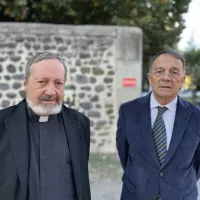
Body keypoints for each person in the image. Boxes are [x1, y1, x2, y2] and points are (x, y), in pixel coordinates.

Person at [0, 52, 91, 200]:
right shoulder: (2, 122)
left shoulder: (79, 124)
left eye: (58, 83)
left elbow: (81, 182)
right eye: (42, 81)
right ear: (25, 84)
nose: (50, 91)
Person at [116, 49, 200, 200]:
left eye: (174, 72)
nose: (166, 77)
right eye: (159, 71)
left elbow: (198, 164)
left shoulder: (197, 116)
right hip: (136, 194)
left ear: (182, 80)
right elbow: (125, 155)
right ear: (150, 77)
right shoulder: (128, 111)